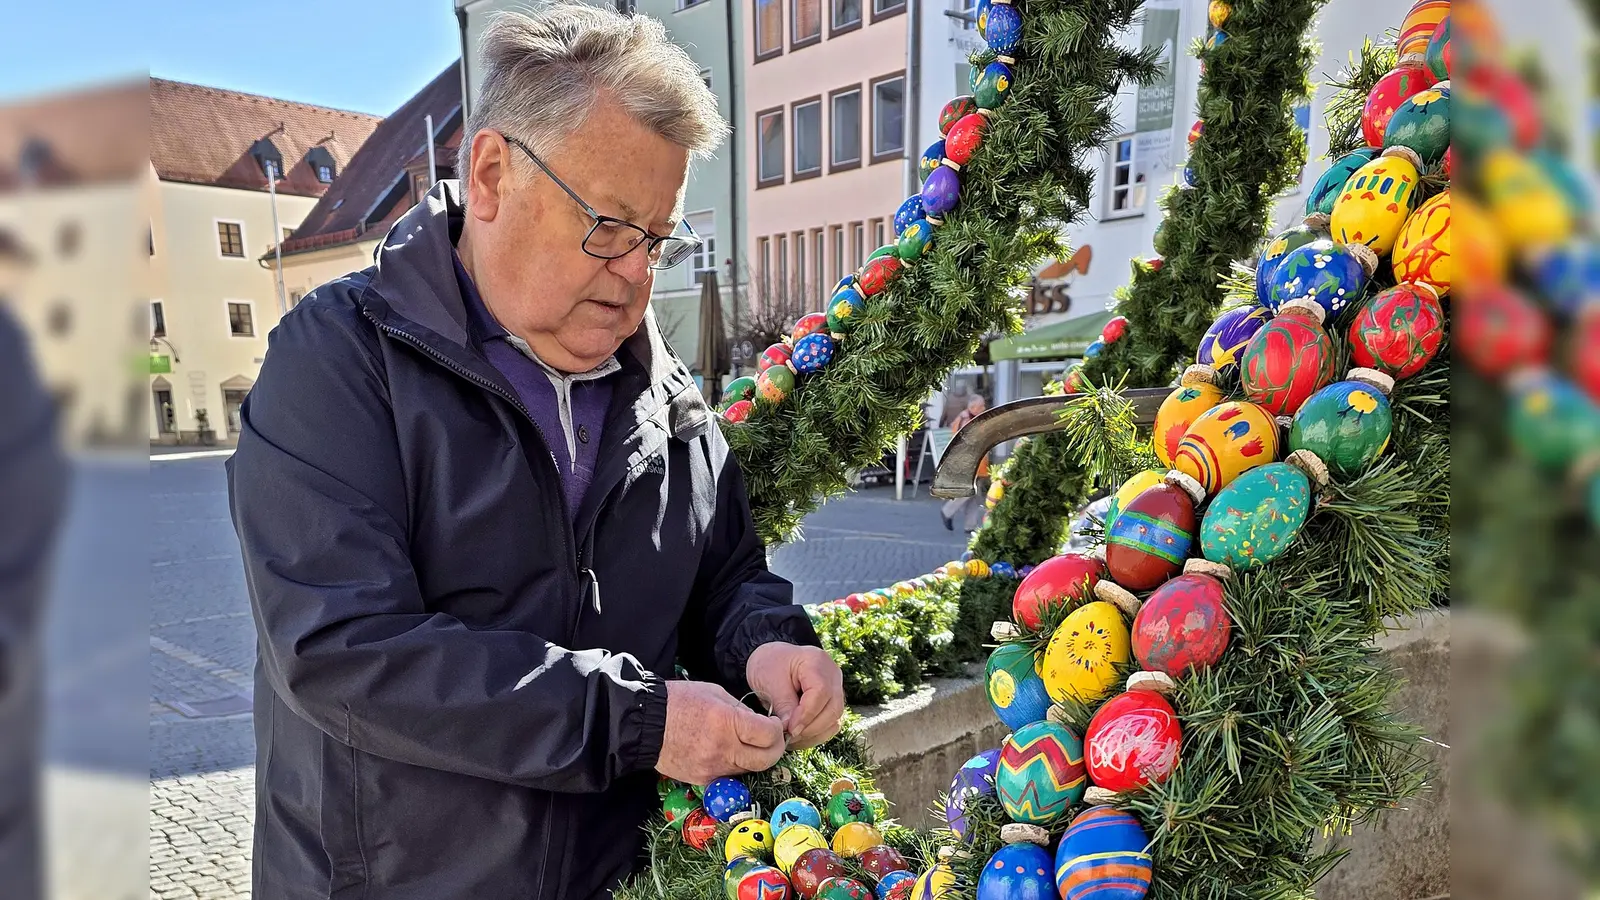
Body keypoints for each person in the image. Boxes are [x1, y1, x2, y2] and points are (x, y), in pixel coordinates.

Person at [226, 8, 844, 898]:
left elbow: (726, 574)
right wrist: (640, 724)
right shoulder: (338, 361)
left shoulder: (666, 393)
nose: (637, 272)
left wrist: (766, 644)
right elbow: (344, 649)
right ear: (490, 175)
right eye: (608, 225)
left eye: (658, 237)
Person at [940, 394, 990, 533]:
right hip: (968, 464)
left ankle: (970, 525)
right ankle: (947, 511)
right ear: (973, 407)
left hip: (976, 464)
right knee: (968, 492)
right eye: (982, 406)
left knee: (974, 496)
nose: (984, 408)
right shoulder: (965, 420)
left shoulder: (972, 418)